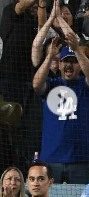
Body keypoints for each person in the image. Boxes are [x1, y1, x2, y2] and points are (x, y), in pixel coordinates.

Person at [33, 40, 89, 184]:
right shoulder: (52, 84)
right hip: (51, 159)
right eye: (65, 61)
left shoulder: (85, 86)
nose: (69, 65)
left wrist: (77, 50)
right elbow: (36, 84)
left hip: (80, 160)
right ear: (59, 64)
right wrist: (49, 56)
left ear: (80, 66)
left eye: (73, 61)